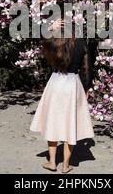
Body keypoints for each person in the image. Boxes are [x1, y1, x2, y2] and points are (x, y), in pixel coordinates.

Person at [30, 19, 94, 173]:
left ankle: (52, 163)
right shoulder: (80, 44)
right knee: (70, 124)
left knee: (53, 121)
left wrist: (49, 28)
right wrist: (86, 88)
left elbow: (41, 39)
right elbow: (86, 70)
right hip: (73, 85)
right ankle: (65, 165)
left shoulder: (54, 43)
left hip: (56, 83)